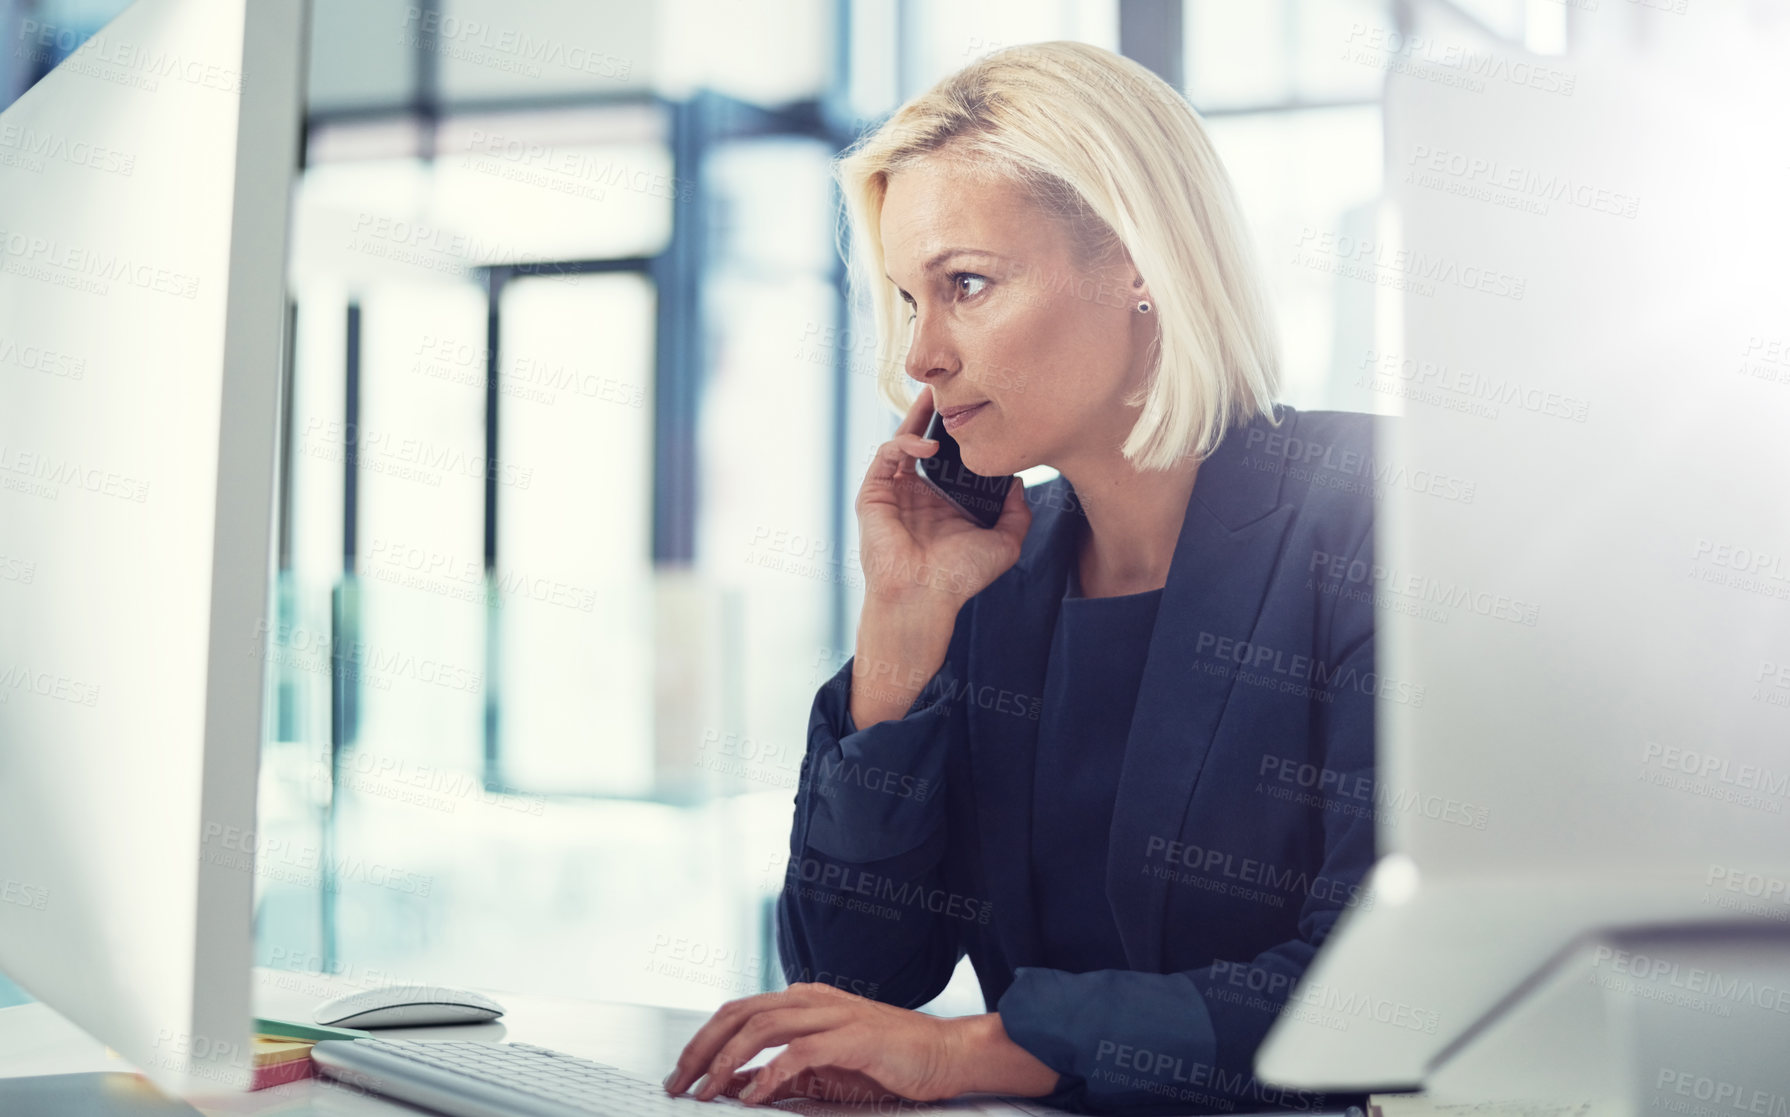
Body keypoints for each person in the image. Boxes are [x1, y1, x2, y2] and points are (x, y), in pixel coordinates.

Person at [664, 40, 1378, 1115]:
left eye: (965, 285)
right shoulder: (995, 563)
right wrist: (899, 634)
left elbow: (1369, 994)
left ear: (1140, 259)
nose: (921, 355)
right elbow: (851, 983)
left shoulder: (1373, 515)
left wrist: (977, 1051)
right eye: (910, 299)